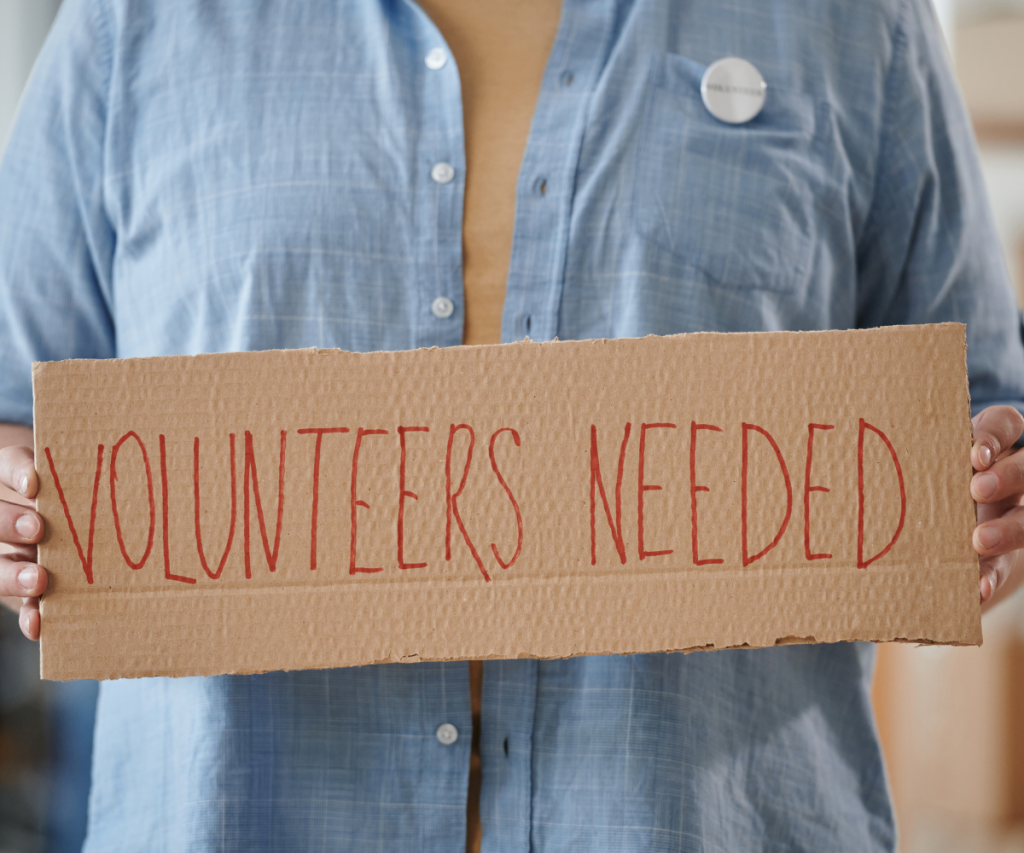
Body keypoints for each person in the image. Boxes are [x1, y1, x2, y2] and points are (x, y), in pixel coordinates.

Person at [2, 0, 1024, 850]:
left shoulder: (849, 24)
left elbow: (976, 398)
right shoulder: (133, 27)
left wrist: (988, 495)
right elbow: (12, 405)